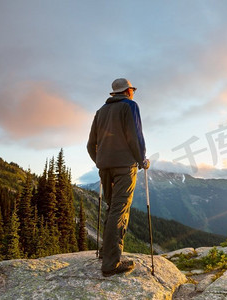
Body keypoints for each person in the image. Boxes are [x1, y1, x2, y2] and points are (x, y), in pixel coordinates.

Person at [87, 78, 149, 277]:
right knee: (119, 210)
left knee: (112, 207)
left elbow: (90, 144)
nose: (133, 93)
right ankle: (111, 264)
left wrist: (100, 161)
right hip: (125, 167)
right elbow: (135, 135)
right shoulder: (130, 106)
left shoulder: (100, 112)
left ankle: (106, 252)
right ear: (128, 91)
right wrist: (142, 160)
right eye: (132, 90)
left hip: (105, 167)